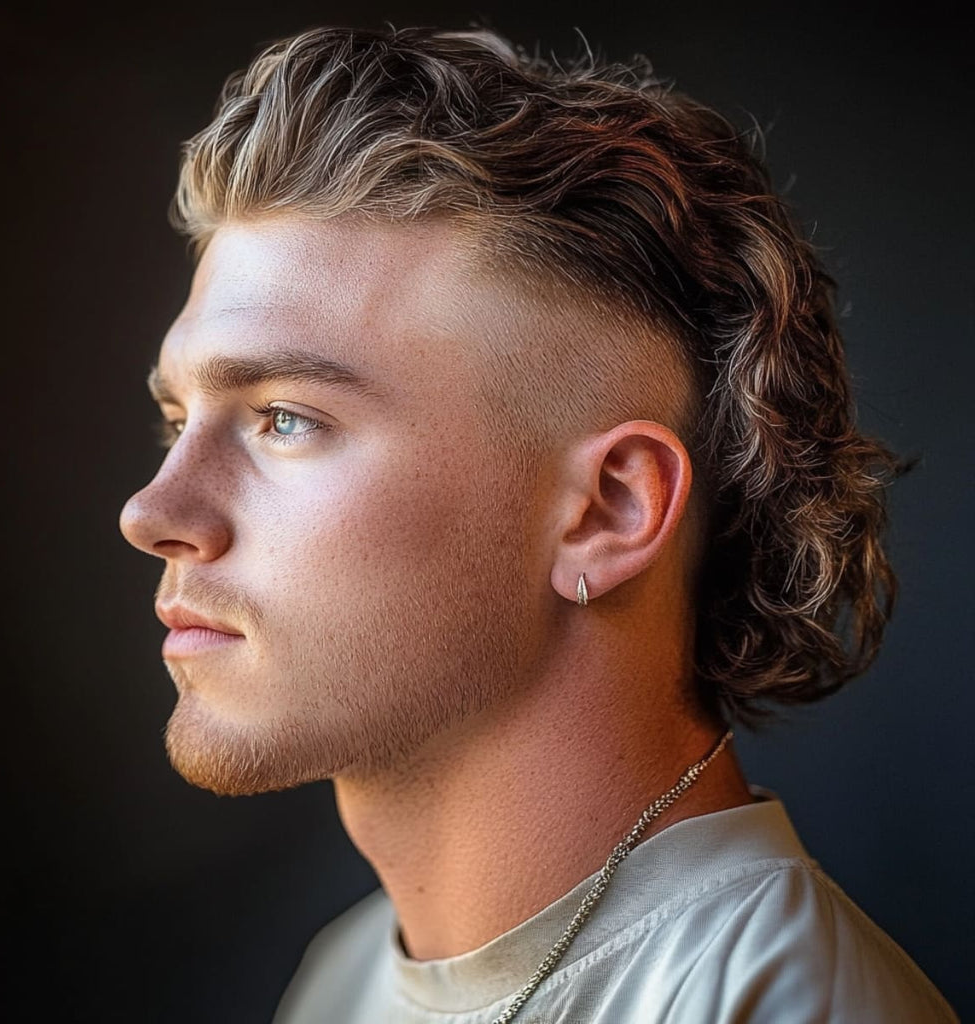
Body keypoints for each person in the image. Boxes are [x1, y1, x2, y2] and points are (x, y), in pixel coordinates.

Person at [118, 24, 958, 1024]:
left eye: (285, 419)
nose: (153, 511)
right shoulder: (341, 979)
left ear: (605, 511)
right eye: (178, 419)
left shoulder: (779, 1002)